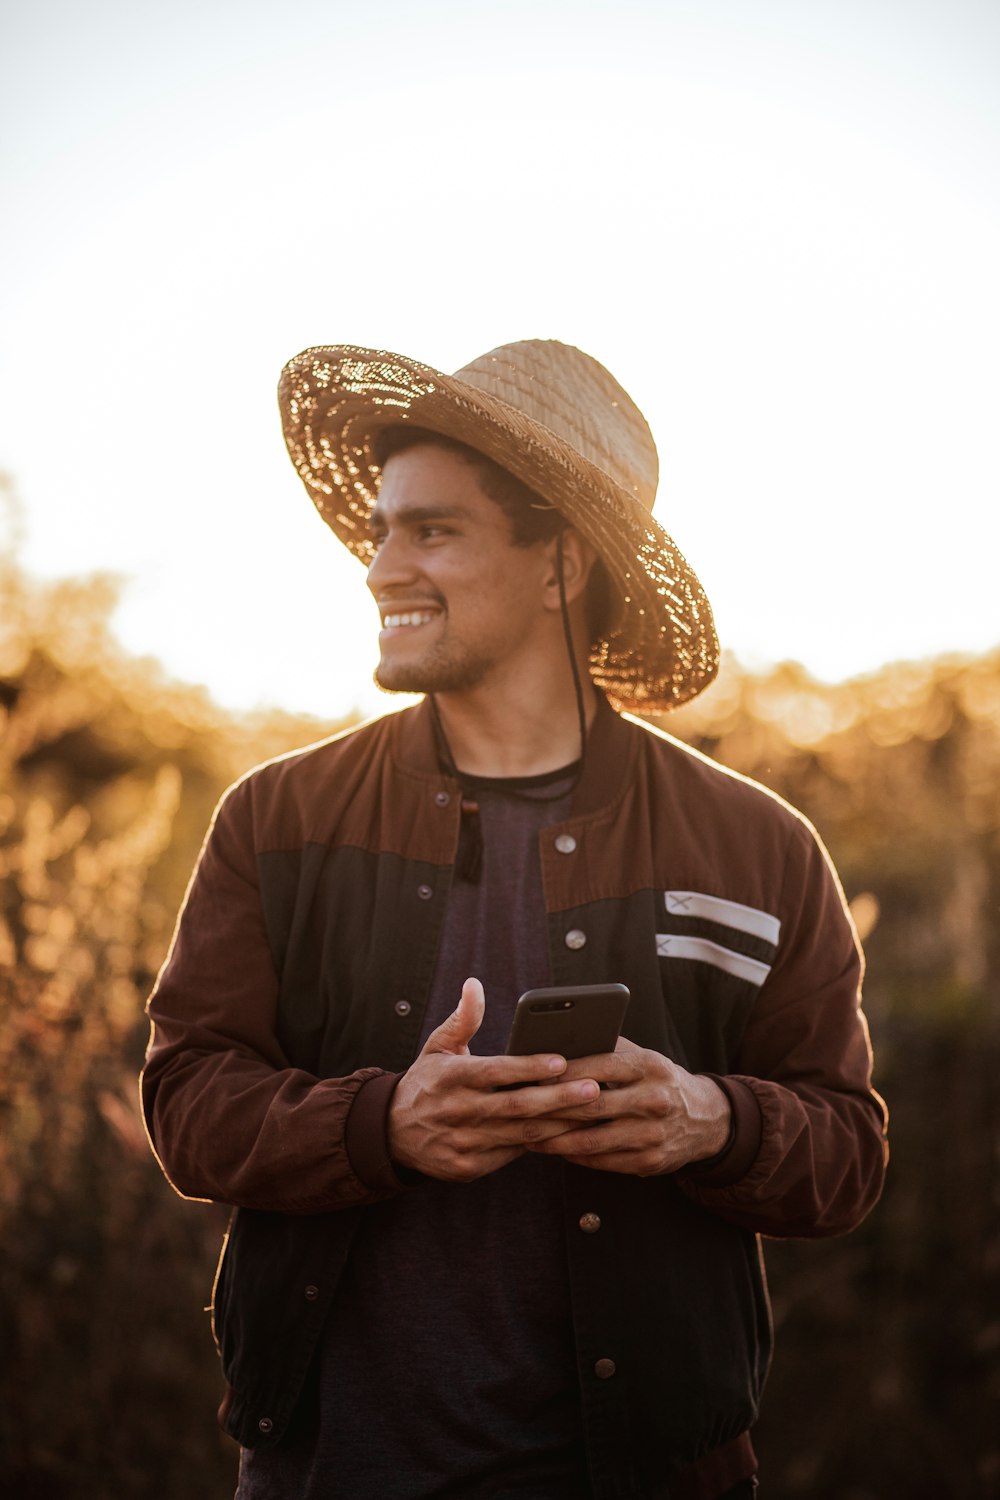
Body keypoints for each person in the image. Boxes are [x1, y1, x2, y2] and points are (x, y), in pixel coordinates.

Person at [141, 338, 888, 1500]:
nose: (381, 565)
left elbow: (845, 1156)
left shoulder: (757, 845)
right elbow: (187, 1102)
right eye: (382, 528)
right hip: (333, 1472)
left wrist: (709, 1120)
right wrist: (381, 1125)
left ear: (560, 561)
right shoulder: (276, 821)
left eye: (431, 530)